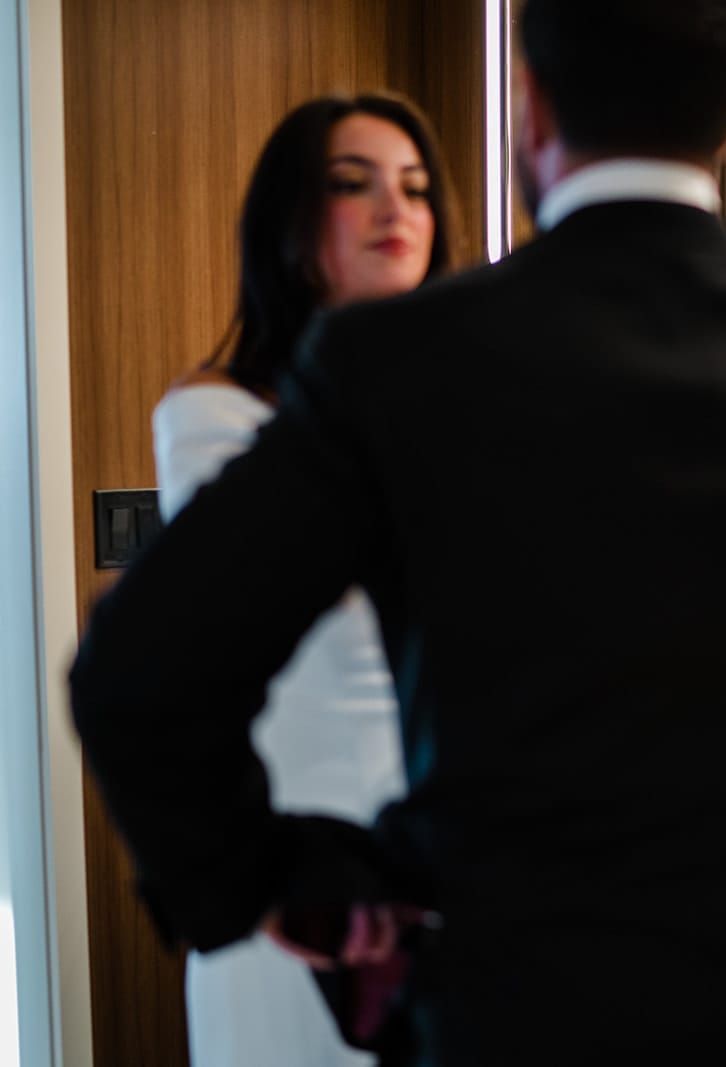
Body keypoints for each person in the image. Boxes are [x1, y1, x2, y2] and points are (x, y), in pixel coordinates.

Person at [68, 2, 726, 1063]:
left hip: (504, 1004)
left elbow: (138, 672)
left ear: (529, 109)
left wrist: (276, 885)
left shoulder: (393, 366)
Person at [151, 93, 458, 1067]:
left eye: (414, 188)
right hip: (302, 873)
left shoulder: (457, 410)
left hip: (450, 861)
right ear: (289, 222)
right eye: (350, 183)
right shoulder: (216, 417)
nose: (394, 208)